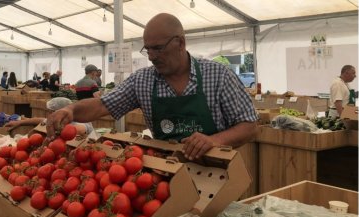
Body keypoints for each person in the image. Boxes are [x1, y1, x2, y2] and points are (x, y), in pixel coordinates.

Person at [47, 13, 258, 160]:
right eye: (147, 49)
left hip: (217, 173)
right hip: (165, 172)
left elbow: (249, 126)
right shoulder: (142, 81)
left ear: (181, 43)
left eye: (158, 48)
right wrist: (71, 109)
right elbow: (103, 105)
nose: (152, 56)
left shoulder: (219, 75)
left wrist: (213, 141)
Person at [5, 97, 93, 136]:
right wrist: (20, 122)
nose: (50, 114)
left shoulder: (82, 119)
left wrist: (55, 129)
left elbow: (81, 129)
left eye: (52, 112)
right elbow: (41, 120)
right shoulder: (61, 119)